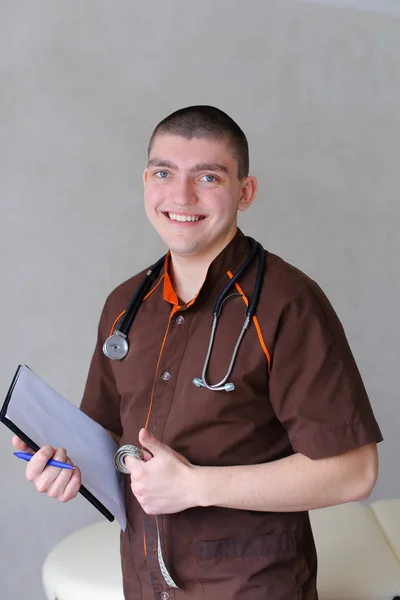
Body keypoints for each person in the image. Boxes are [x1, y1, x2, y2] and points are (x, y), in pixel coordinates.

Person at [13, 105, 383, 599]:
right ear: (146, 181)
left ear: (245, 192)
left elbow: (353, 472)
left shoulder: (287, 304)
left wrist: (196, 487)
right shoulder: (125, 305)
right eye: (164, 173)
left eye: (208, 176)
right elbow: (107, 443)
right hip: (144, 584)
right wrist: (61, 460)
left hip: (251, 589)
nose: (181, 196)